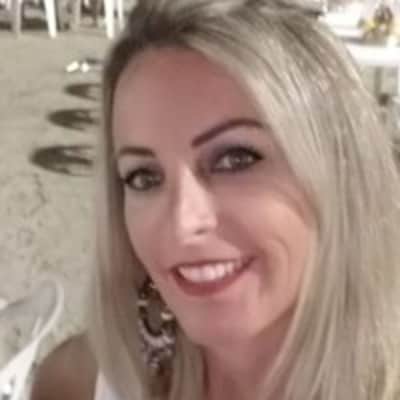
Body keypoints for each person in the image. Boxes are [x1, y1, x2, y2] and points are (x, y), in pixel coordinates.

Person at [88, 1, 400, 400]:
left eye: (236, 159)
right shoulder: (126, 377)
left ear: (339, 171)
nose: (184, 223)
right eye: (144, 177)